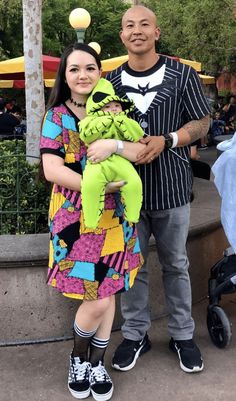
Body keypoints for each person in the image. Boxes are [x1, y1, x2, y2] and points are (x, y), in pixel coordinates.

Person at [106, 5, 211, 374]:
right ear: (122, 36)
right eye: (129, 25)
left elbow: (202, 122)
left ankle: (183, 335)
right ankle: (136, 334)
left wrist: (167, 139)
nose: (137, 31)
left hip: (172, 189)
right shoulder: (110, 83)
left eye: (144, 24)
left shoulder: (183, 75)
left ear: (156, 32)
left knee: (176, 264)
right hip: (126, 195)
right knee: (132, 268)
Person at [40, 42, 144, 401]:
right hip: (76, 217)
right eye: (74, 69)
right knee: (95, 297)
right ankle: (77, 357)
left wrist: (113, 147)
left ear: (100, 72)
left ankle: (96, 363)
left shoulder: (113, 106)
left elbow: (138, 148)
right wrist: (95, 185)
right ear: (65, 77)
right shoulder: (56, 117)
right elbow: (51, 169)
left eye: (90, 68)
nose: (83, 75)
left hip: (116, 218)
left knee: (109, 289)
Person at [79, 77, 143, 229]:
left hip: (120, 161)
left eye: (116, 105)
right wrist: (107, 121)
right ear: (97, 108)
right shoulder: (89, 120)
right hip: (97, 163)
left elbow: (137, 135)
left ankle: (133, 215)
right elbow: (87, 134)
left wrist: (121, 123)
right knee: (90, 185)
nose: (113, 109)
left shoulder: (125, 120)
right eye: (107, 106)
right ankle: (91, 220)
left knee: (134, 182)